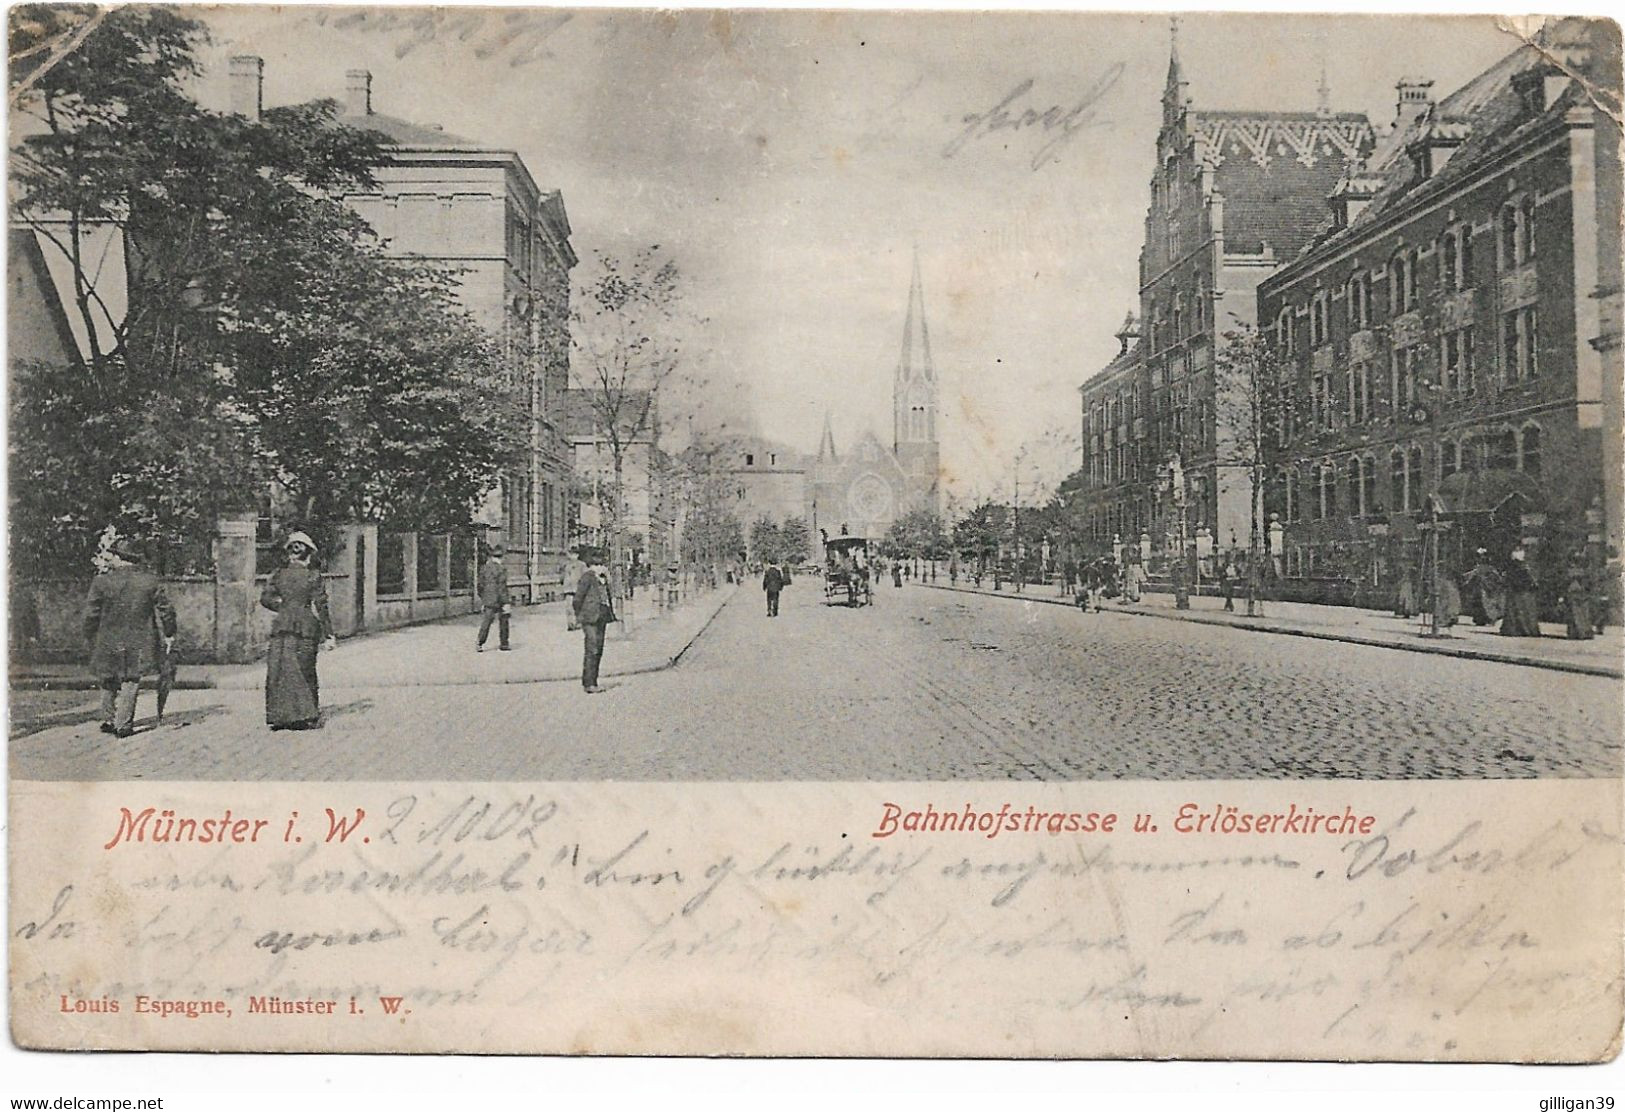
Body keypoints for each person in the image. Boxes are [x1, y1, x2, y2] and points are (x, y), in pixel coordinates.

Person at [83, 535, 177, 737]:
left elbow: (91, 614)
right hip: (139, 639)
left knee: (108, 677)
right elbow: (167, 610)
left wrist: (90, 635)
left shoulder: (101, 582)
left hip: (108, 637)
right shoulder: (150, 582)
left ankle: (108, 720)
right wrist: (169, 633)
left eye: (115, 555)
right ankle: (124, 724)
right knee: (131, 678)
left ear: (119, 558)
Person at [260, 532, 336, 730]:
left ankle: (279, 717)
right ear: (309, 555)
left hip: (282, 626)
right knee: (305, 669)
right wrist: (329, 634)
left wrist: (284, 608)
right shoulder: (313, 576)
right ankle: (307, 716)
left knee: (279, 669)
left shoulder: (278, 574)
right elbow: (321, 606)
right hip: (306, 627)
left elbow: (266, 599)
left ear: (290, 554)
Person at [573, 560, 615, 693]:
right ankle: (588, 683)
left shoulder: (603, 579)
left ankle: (594, 681)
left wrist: (609, 579)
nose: (603, 568)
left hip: (601, 617)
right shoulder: (587, 577)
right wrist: (580, 615)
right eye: (601, 565)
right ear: (594, 567)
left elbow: (609, 596)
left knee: (599, 649)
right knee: (592, 649)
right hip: (589, 618)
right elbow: (577, 599)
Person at [476, 541, 512, 652]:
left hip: (488, 599)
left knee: (487, 621)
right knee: (504, 621)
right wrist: (506, 602)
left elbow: (480, 585)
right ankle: (504, 643)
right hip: (500, 599)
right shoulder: (501, 569)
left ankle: (480, 642)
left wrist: (483, 598)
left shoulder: (484, 568)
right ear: (502, 557)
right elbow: (501, 587)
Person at [1500, 549, 1541, 637]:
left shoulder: (1523, 566)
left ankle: (1519, 628)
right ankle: (1523, 628)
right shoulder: (1523, 566)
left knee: (1519, 608)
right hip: (1519, 587)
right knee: (1520, 608)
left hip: (1520, 587)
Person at [1461, 549, 1505, 626]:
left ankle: (1489, 619)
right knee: (1480, 603)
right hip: (1480, 588)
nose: (1481, 558)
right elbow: (1470, 575)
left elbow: (1497, 578)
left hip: (1487, 588)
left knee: (1487, 604)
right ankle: (1480, 619)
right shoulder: (1478, 568)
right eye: (1479, 556)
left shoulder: (1490, 569)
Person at [1564, 555, 1595, 640]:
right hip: (1580, 593)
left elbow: (1566, 582)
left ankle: (1576, 633)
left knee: (1575, 614)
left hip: (1574, 593)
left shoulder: (1570, 572)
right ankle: (1583, 632)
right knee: (1583, 614)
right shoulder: (1583, 572)